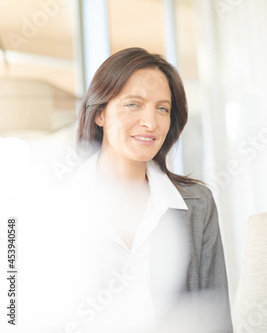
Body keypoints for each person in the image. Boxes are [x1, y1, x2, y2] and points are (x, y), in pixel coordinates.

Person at [74, 47, 233, 332]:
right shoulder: (50, 201)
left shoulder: (197, 204)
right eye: (133, 104)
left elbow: (214, 316)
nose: (151, 123)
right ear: (99, 114)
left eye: (163, 108)